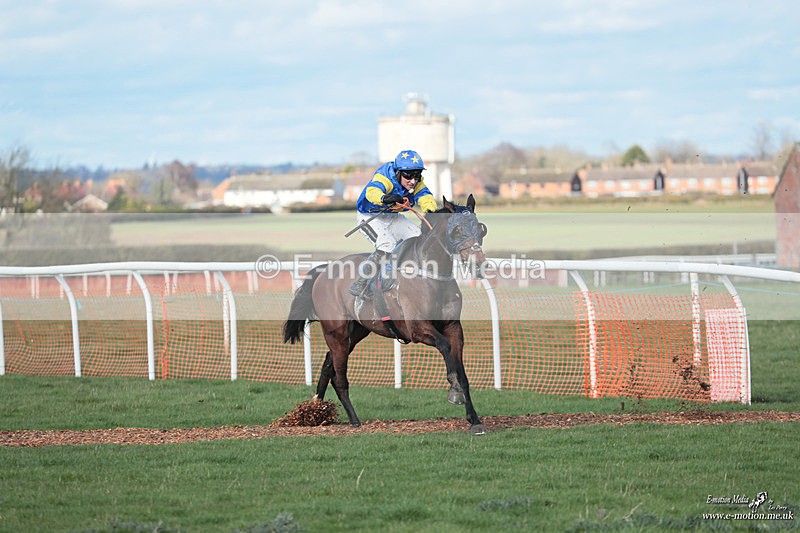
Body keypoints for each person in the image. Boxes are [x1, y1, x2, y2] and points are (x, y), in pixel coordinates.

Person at [349, 149, 438, 298]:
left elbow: (425, 196)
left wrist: (433, 212)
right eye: (408, 176)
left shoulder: (416, 182)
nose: (413, 181)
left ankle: (406, 275)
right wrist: (384, 198)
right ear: (398, 172)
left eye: (417, 176)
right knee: (387, 244)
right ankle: (361, 283)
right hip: (369, 216)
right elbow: (372, 191)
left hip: (391, 216)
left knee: (418, 236)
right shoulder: (385, 176)